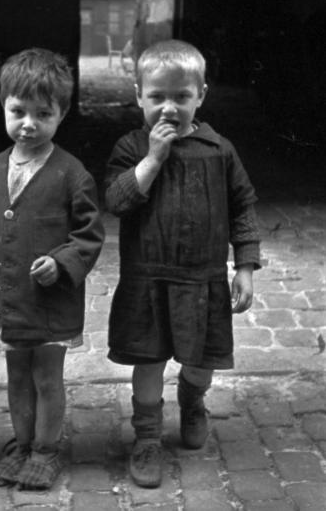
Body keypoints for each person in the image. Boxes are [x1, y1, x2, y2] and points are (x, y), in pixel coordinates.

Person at [0, 48, 104, 490]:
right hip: (7, 298)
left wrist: (63, 261)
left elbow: (89, 235)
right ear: (3, 107)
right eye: (18, 111)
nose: (28, 123)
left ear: (61, 114)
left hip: (49, 301)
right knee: (15, 375)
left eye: (42, 113)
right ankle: (23, 443)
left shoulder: (72, 174)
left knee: (47, 376)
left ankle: (46, 450)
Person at [105, 40, 261, 488]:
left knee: (203, 359)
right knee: (149, 361)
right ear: (138, 96)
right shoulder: (131, 146)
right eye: (157, 97)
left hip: (203, 280)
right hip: (148, 279)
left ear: (202, 96)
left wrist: (245, 266)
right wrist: (153, 159)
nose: (168, 108)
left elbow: (243, 206)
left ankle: (193, 400)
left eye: (181, 97)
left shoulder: (218, 149)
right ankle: (148, 437)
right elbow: (116, 200)